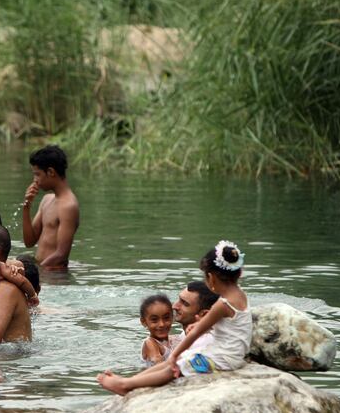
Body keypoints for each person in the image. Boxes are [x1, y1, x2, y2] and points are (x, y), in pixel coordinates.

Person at [97, 241, 252, 395]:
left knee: (175, 366)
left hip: (223, 359)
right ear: (239, 273)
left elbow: (198, 331)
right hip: (232, 356)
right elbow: (230, 326)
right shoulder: (241, 296)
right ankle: (129, 381)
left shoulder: (222, 304)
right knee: (182, 358)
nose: (175, 306)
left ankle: (125, 385)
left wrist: (175, 355)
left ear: (211, 278)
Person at [22, 145, 79, 270]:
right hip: (42, 269)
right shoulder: (47, 200)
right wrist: (27, 205)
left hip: (54, 275)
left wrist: (37, 272)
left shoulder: (68, 206)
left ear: (51, 172)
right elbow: (29, 242)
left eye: (37, 174)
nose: (35, 180)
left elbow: (61, 254)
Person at [139, 294, 174, 367]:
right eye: (154, 320)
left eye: (166, 318)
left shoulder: (173, 340)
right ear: (144, 322)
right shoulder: (149, 343)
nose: (161, 324)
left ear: (172, 318)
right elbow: (159, 365)